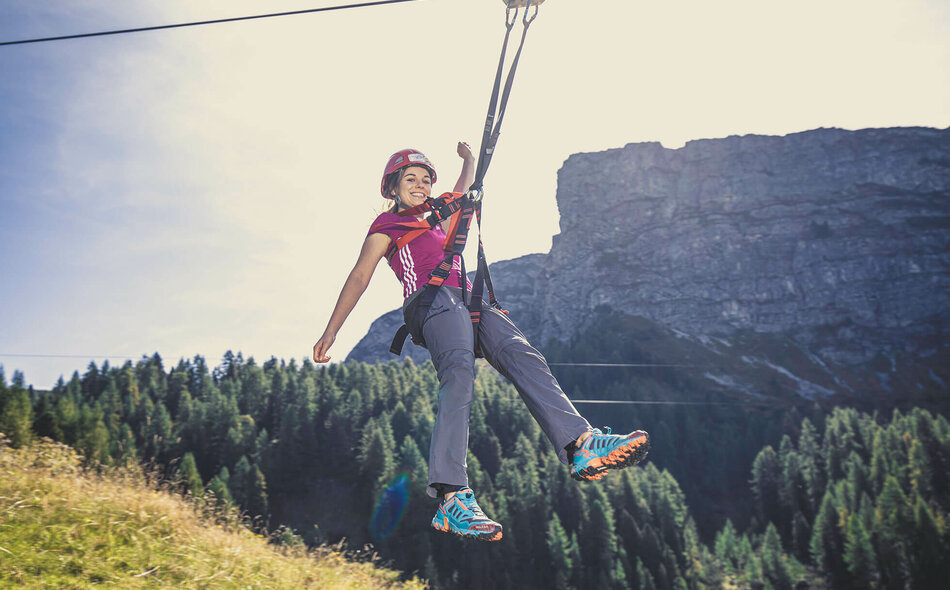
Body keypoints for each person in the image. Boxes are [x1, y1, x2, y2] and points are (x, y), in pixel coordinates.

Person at [313, 142, 650, 541]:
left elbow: (462, 190)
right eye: (411, 180)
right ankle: (451, 496)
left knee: (523, 355)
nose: (420, 186)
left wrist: (470, 162)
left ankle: (581, 445)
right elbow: (360, 275)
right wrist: (333, 328)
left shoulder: (441, 217)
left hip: (468, 298)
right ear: (392, 188)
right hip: (430, 300)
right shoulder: (388, 226)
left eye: (425, 180)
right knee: (459, 373)